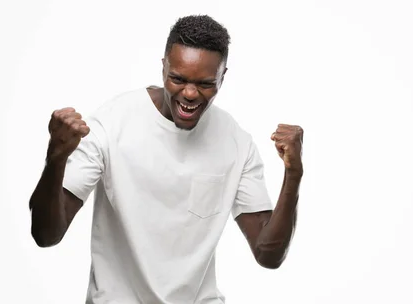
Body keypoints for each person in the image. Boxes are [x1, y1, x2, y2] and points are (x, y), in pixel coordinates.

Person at [28, 14, 303, 304]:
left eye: (205, 83)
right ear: (163, 67)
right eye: (178, 78)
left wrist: (293, 174)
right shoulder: (111, 125)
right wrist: (55, 158)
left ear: (223, 77)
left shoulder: (236, 142)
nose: (189, 93)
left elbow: (269, 255)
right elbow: (46, 235)